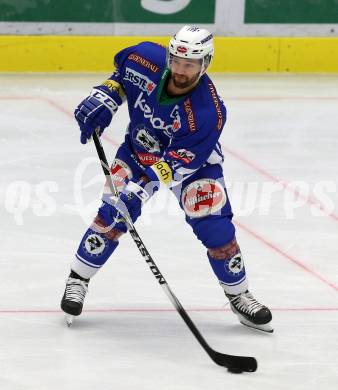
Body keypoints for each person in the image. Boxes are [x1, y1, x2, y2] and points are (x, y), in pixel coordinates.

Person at [60, 26, 273, 332]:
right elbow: (121, 77)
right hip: (139, 151)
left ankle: (239, 295)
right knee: (112, 216)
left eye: (190, 64)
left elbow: (180, 162)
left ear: (205, 64)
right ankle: (77, 279)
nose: (180, 70)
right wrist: (106, 94)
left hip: (193, 165)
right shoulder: (145, 58)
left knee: (217, 230)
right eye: (176, 61)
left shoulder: (207, 112)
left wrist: (142, 188)